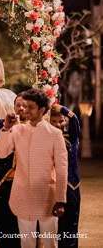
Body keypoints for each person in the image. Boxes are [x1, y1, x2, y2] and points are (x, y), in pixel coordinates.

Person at [0, 88, 68, 248]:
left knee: (50, 243)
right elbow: (1, 154)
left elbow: (62, 170)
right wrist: (6, 129)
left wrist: (60, 200)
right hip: (22, 195)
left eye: (30, 107)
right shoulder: (17, 130)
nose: (24, 110)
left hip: (47, 197)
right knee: (26, 242)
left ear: (42, 110)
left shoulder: (54, 134)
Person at [0, 93, 26, 248]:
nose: (21, 108)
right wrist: (7, 130)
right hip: (3, 184)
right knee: (4, 226)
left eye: (25, 105)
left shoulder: (35, 126)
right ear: (13, 107)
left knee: (26, 230)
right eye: (18, 105)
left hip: (25, 185)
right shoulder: (3, 124)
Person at [50, 104, 81, 248]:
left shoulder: (72, 138)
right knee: (52, 225)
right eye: (54, 121)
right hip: (53, 186)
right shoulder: (46, 139)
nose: (58, 125)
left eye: (61, 121)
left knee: (71, 223)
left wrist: (63, 109)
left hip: (71, 186)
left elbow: (74, 119)